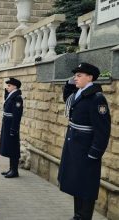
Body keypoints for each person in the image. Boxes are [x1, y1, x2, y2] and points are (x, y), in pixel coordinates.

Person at [58, 62, 111, 220]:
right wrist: (69, 83)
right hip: (75, 147)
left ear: (90, 77)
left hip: (86, 150)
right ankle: (77, 215)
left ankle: (84, 216)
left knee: (86, 187)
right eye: (75, 75)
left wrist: (94, 153)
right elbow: (68, 99)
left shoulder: (97, 98)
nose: (76, 78)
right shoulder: (79, 93)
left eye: (79, 75)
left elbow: (103, 131)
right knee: (77, 183)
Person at [0, 78, 23, 178]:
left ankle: (14, 170)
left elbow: (17, 115)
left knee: (13, 148)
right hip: (7, 124)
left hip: (11, 126)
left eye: (9, 86)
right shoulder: (11, 95)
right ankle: (11, 168)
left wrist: (14, 129)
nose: (7, 87)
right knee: (9, 147)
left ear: (14, 86)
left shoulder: (17, 97)